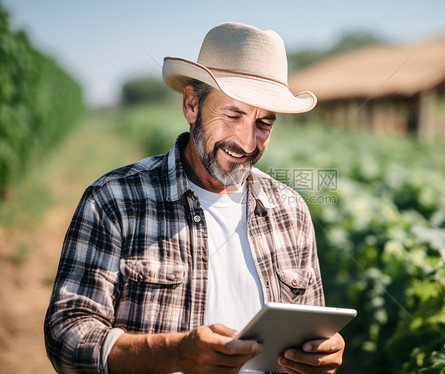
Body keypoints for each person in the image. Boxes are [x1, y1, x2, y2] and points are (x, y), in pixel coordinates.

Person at [44, 22, 345, 374]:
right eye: (233, 115)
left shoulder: (290, 211)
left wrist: (319, 356)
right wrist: (173, 353)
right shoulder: (115, 201)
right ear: (191, 105)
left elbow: (309, 333)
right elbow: (66, 336)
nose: (248, 143)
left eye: (264, 123)